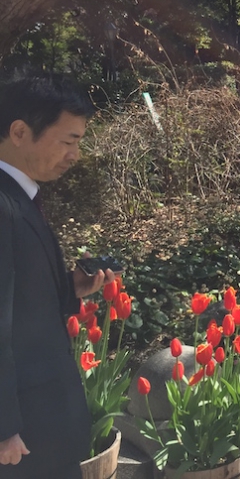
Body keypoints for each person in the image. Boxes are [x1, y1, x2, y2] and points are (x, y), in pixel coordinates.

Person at [0, 74, 117, 478]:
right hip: (24, 437)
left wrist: (71, 290)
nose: (75, 155)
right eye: (68, 141)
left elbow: (19, 299)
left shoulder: (21, 196)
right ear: (19, 131)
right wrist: (4, 427)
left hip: (44, 422)